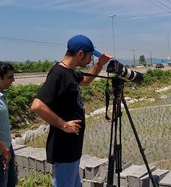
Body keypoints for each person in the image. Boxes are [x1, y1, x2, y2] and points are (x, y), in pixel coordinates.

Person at [31, 34, 112, 187]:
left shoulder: (71, 72)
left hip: (73, 147)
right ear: (80, 54)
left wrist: (100, 64)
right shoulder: (58, 74)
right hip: (63, 148)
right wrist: (63, 124)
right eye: (90, 57)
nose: (90, 60)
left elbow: (86, 81)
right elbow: (37, 105)